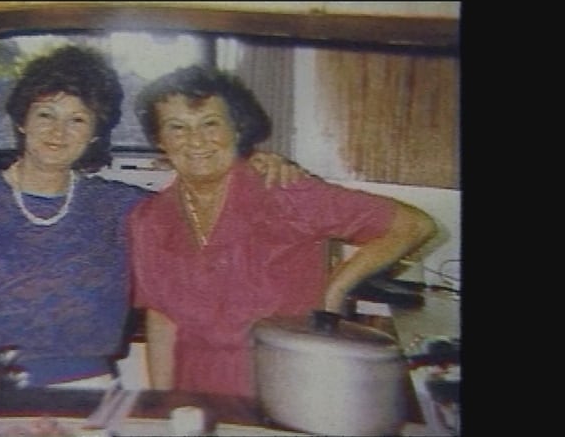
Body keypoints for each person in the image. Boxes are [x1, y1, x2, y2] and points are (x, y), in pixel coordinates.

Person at [0, 44, 307, 394]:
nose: (58, 132)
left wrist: (251, 162)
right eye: (46, 114)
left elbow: (207, 197)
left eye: (77, 119)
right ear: (22, 119)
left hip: (84, 389)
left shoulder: (122, 207)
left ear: (95, 133)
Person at [128, 65, 438, 398]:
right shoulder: (149, 219)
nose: (196, 140)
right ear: (160, 141)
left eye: (210, 123)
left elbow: (413, 225)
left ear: (237, 129)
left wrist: (336, 287)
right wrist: (162, 404)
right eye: (177, 128)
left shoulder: (285, 191)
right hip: (196, 389)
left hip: (287, 384)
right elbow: (161, 318)